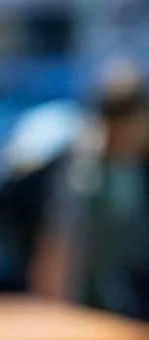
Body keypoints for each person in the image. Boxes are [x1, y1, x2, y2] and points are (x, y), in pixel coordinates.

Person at [30, 63, 149, 318]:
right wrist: (55, 315)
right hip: (96, 293)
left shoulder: (139, 162)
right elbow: (59, 245)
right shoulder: (84, 169)